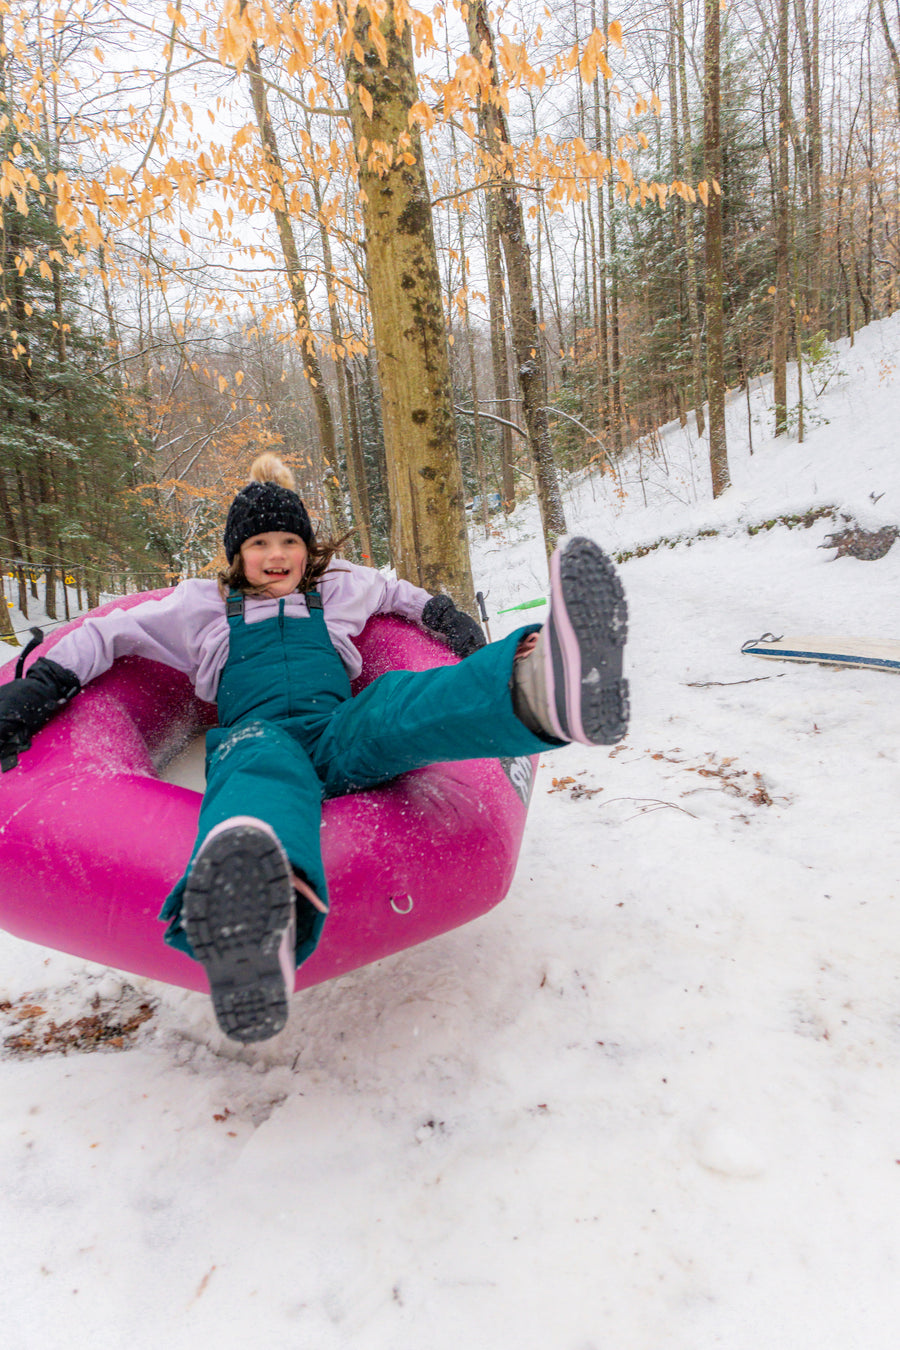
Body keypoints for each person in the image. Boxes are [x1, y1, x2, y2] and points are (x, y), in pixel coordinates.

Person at [0, 454, 629, 1043]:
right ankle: (253, 916)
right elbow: (109, 633)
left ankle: (538, 688)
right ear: (237, 555)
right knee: (256, 769)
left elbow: (395, 592)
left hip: (337, 728)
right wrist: (43, 685)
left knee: (393, 708)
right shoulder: (201, 607)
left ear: (307, 548)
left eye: (289, 542)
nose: (276, 556)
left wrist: (442, 616)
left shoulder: (341, 588)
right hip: (259, 731)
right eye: (259, 545)